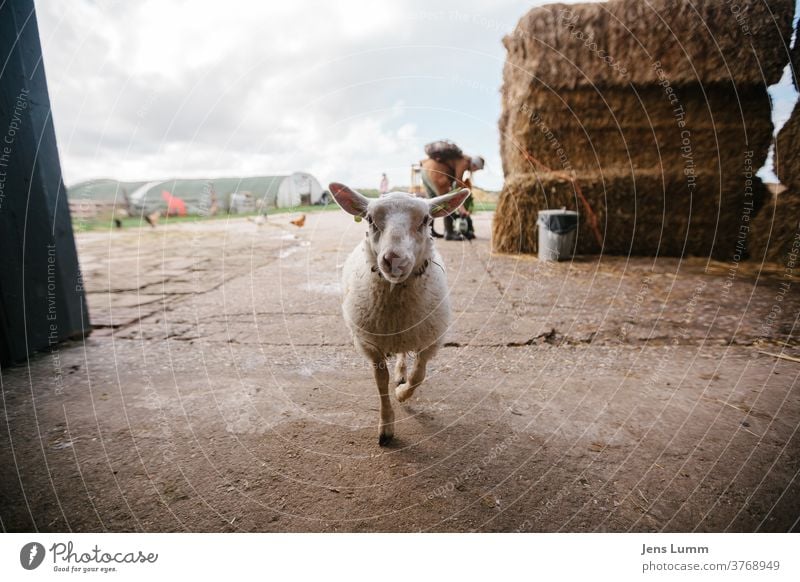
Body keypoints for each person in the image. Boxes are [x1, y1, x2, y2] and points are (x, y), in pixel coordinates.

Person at [420, 146, 484, 240]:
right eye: (476, 169)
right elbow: (458, 184)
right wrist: (461, 208)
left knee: (431, 203)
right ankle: (449, 232)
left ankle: (430, 231)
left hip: (425, 170)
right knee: (448, 201)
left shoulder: (459, 158)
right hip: (436, 173)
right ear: (475, 165)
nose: (475, 171)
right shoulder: (464, 162)